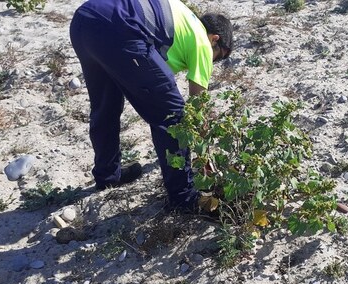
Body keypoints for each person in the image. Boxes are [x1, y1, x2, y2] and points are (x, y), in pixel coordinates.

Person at [69, 0, 233, 210]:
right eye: (218, 56)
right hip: (121, 27)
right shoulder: (202, 41)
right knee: (174, 116)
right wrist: (205, 156)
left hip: (84, 20)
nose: (213, 63)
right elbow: (197, 108)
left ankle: (108, 175)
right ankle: (183, 198)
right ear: (215, 39)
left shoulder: (183, 22)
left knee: (105, 106)